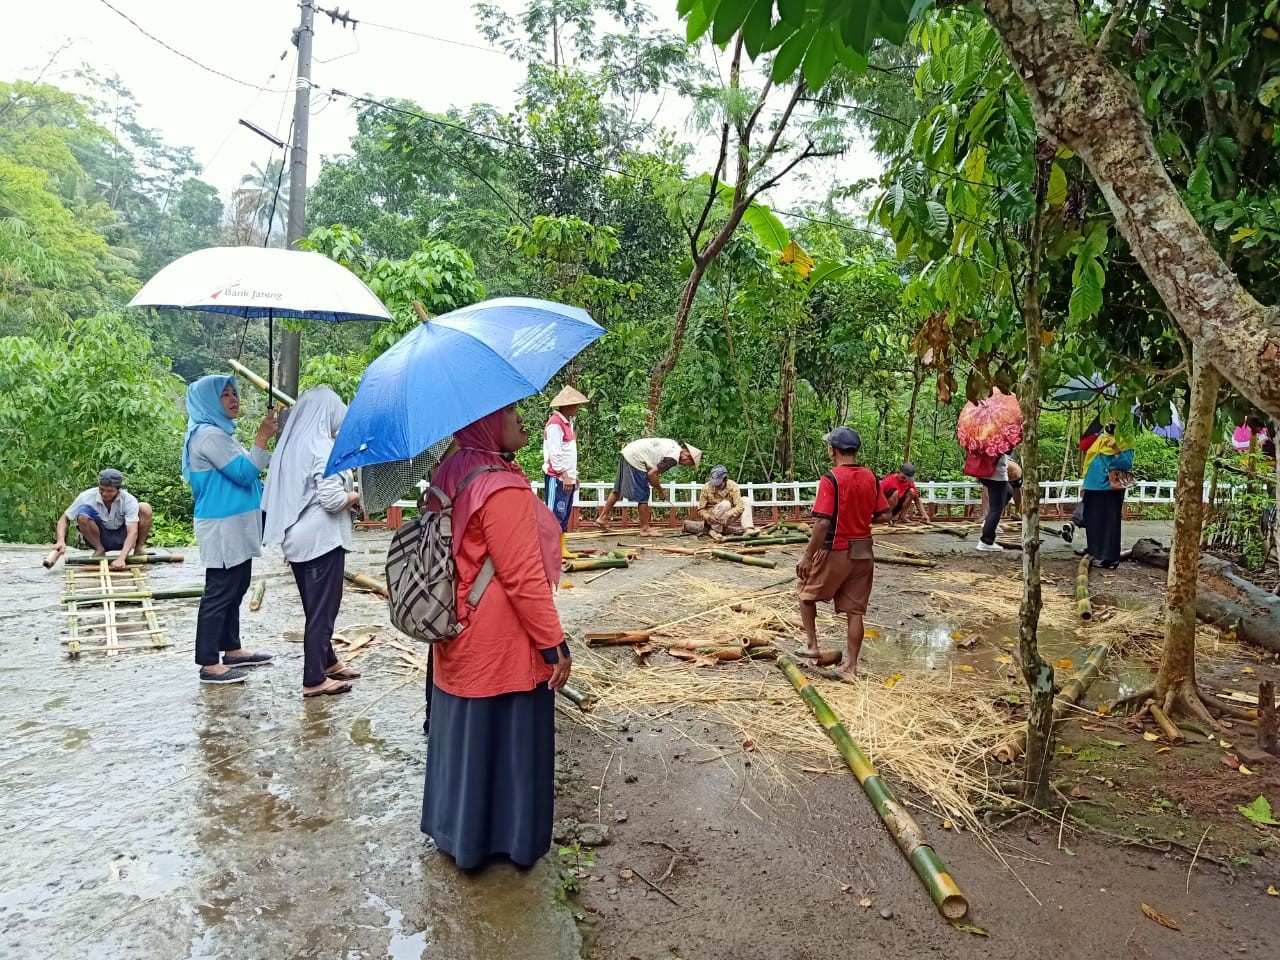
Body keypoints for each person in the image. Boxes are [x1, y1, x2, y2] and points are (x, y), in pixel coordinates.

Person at [420, 403, 571, 870]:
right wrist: (554, 644)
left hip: (455, 626)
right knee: (510, 740)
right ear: (488, 424)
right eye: (511, 413)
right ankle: (508, 841)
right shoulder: (500, 485)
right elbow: (524, 578)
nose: (523, 420)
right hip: (500, 639)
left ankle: (458, 834)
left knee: (465, 738)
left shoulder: (452, 468)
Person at [261, 386, 363, 698]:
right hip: (320, 541)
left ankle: (328, 661)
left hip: (297, 538)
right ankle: (313, 678)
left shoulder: (291, 447)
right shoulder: (322, 448)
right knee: (323, 612)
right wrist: (357, 497)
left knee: (314, 609)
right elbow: (331, 499)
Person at [183, 375, 277, 685]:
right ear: (208, 402)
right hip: (222, 525)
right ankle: (209, 662)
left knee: (236, 585)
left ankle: (232, 649)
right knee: (220, 591)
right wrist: (262, 437)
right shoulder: (208, 436)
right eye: (224, 395)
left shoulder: (222, 432)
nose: (233, 399)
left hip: (236, 523)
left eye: (234, 393)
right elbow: (244, 473)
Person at [796, 427, 891, 680]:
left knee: (805, 593)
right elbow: (885, 514)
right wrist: (862, 517)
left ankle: (812, 645)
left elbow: (823, 523)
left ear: (832, 450)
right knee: (856, 611)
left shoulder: (831, 479)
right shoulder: (870, 476)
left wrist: (807, 556)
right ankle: (851, 667)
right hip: (864, 549)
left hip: (836, 547)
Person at [594, 438, 702, 537]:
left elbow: (653, 466)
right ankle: (644, 528)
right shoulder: (673, 458)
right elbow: (651, 474)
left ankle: (602, 518)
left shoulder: (673, 445)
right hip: (636, 458)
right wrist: (660, 491)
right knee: (644, 494)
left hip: (628, 452)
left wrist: (655, 482)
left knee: (617, 489)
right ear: (687, 456)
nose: (685, 465)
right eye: (688, 464)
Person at [52, 469, 153, 571]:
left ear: (118, 490)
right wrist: (60, 540)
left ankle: (138, 548)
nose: (104, 494)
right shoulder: (86, 496)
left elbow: (132, 531)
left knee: (145, 507)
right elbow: (64, 518)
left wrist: (121, 559)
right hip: (100, 537)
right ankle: (99, 549)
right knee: (82, 515)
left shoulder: (128, 500)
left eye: (110, 491)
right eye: (102, 489)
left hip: (123, 536)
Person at [542, 385, 588, 557]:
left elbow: (569, 453)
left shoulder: (567, 424)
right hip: (557, 477)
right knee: (555, 513)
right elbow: (555, 452)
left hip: (567, 477)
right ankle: (550, 549)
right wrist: (564, 474)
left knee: (564, 513)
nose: (577, 408)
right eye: (575, 404)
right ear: (566, 405)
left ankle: (560, 548)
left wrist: (573, 475)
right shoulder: (555, 424)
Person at [1081, 421, 1134, 569]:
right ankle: (1094, 550)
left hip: (1109, 487)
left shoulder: (1125, 440)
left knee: (1109, 521)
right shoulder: (1100, 438)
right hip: (1092, 484)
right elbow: (1089, 458)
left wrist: (1116, 448)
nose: (1111, 423)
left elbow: (1126, 464)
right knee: (1092, 519)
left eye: (1115, 421)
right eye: (1109, 420)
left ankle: (1110, 558)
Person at [684, 465, 746, 538]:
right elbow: (701, 509)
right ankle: (715, 530)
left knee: (746, 500)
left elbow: (740, 506)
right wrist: (708, 516)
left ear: (725, 480)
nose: (716, 486)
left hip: (727, 518)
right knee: (726, 504)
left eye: (719, 484)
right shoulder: (706, 488)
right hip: (712, 519)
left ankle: (748, 528)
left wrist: (728, 514)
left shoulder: (733, 486)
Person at [975, 448, 1015, 553]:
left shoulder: (983, 433)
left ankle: (990, 522)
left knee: (1008, 491)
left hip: (984, 469)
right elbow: (1007, 451)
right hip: (996, 473)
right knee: (996, 508)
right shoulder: (998, 435)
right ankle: (986, 541)